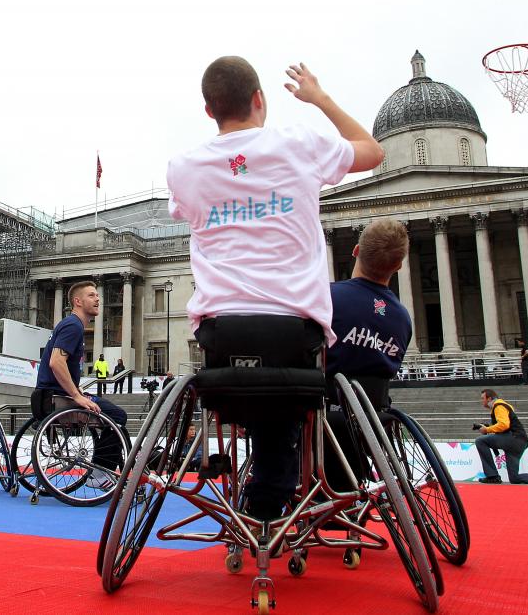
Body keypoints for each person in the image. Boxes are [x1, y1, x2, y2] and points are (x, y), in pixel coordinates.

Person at [167, 57, 384, 520]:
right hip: (295, 333)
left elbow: (183, 209)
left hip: (220, 334)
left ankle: (261, 493)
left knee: (256, 397)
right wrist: (318, 97)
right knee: (283, 408)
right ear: (260, 98)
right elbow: (372, 151)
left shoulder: (182, 168)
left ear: (209, 110)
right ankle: (275, 497)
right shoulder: (300, 144)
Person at [324, 218, 412, 488]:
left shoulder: (327, 298)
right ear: (398, 265)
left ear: (356, 251)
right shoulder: (402, 319)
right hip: (370, 422)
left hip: (322, 417)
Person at [34, 281, 127, 487]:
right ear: (77, 301)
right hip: (58, 398)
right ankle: (99, 475)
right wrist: (76, 396)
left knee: (114, 417)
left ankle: (107, 470)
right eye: (92, 295)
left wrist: (77, 390)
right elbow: (56, 362)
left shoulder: (72, 325)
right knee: (118, 417)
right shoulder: (73, 325)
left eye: (97, 295)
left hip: (52, 394)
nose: (98, 299)